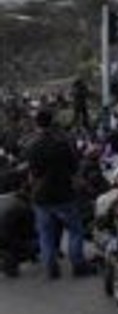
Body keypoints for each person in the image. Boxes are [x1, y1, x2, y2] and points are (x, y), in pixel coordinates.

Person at [23, 109, 94, 279]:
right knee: (76, 230)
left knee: (45, 233)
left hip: (42, 196)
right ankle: (78, 264)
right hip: (64, 194)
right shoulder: (63, 143)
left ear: (36, 123)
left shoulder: (31, 145)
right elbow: (74, 171)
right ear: (52, 121)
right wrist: (82, 186)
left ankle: (50, 267)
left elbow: (32, 175)